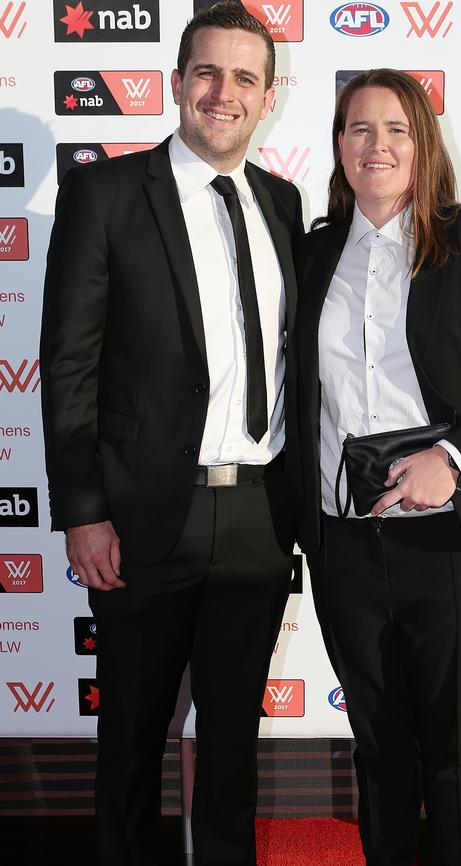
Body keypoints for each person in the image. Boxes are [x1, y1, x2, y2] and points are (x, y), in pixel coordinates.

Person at [40, 4, 303, 865]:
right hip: (144, 519)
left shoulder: (283, 201)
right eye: (207, 73)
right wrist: (82, 510)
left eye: (244, 78)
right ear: (178, 82)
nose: (222, 93)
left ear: (269, 97)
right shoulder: (108, 193)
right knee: (129, 745)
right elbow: (69, 364)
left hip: (260, 519)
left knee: (230, 750)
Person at [294, 69, 461, 866]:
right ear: (339, 144)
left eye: (396, 129)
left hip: (457, 539)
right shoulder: (311, 254)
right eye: (358, 129)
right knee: (378, 748)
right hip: (345, 543)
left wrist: (452, 460)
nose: (376, 146)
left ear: (424, 143)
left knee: (457, 750)